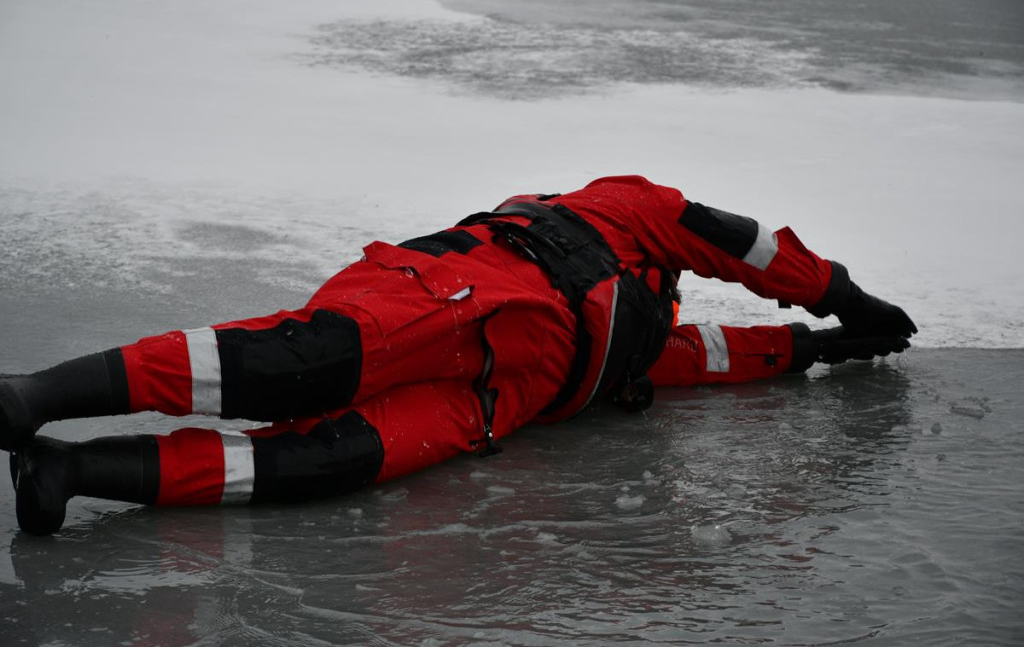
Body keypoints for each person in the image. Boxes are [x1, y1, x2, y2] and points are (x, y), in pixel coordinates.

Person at [0, 175, 915, 535]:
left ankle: (74, 469)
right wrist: (838, 289)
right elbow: (744, 244)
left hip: (486, 404)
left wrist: (816, 347)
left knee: (326, 461)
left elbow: (711, 354)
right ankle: (33, 395)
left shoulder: (644, 346)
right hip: (455, 299)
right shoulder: (629, 207)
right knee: (296, 366)